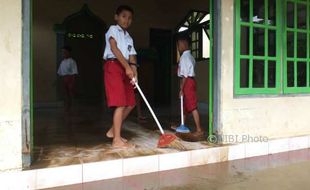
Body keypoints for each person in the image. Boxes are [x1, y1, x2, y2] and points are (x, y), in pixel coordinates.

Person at [103, 5, 138, 148]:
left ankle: (113, 131)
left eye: (130, 18)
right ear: (116, 17)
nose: (126, 20)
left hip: (126, 69)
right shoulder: (113, 29)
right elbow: (113, 48)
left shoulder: (129, 37)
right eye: (124, 16)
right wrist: (127, 67)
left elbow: (132, 58)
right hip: (113, 66)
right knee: (120, 103)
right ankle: (116, 140)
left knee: (131, 103)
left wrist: (135, 74)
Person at [175, 35, 204, 137]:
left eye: (178, 45)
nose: (178, 47)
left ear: (184, 44)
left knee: (192, 106)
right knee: (185, 105)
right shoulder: (190, 56)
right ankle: (182, 124)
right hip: (189, 81)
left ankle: (199, 129)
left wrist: (181, 89)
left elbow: (185, 76)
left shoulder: (185, 57)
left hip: (187, 82)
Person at [57, 46, 78, 112]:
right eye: (63, 53)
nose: (64, 54)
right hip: (64, 79)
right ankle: (67, 106)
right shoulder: (62, 62)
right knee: (65, 94)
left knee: (71, 93)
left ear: (69, 53)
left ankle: (73, 106)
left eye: (65, 52)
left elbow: (74, 72)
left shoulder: (72, 61)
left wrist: (72, 82)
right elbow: (60, 72)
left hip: (70, 78)